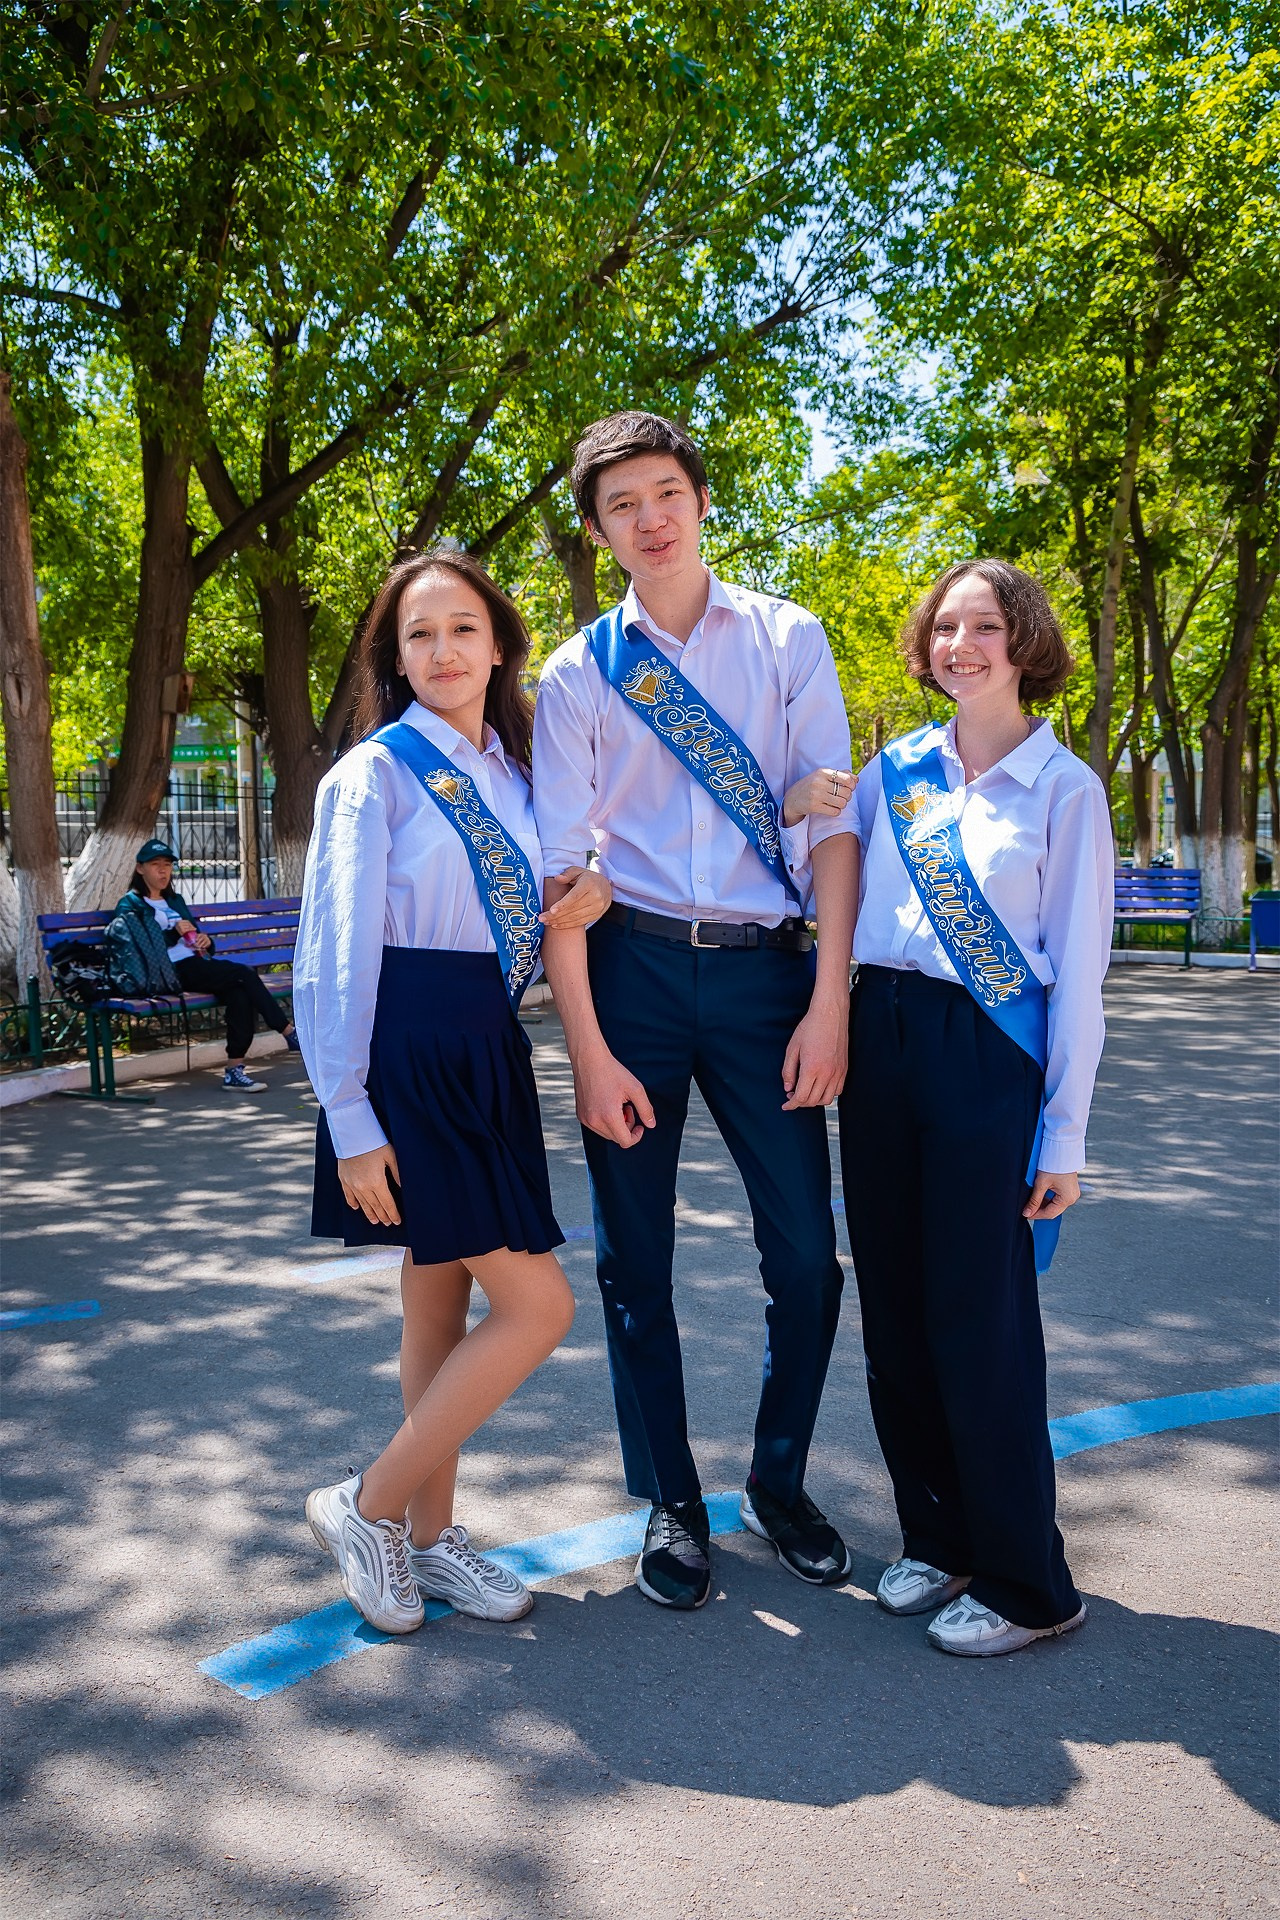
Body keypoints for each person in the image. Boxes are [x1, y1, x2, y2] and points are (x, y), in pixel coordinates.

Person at [533, 411, 860, 1611]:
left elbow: (831, 824)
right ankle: (669, 1499)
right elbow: (564, 879)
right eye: (621, 506)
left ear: (700, 499)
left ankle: (777, 1484)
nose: (649, 518)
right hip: (630, 976)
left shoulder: (785, 637)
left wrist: (827, 1001)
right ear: (598, 530)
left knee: (806, 1258)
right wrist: (584, 1047)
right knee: (635, 1261)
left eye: (665, 492)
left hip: (770, 978)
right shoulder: (577, 674)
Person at [294, 549, 611, 1634]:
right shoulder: (371, 776)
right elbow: (334, 954)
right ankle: (368, 1505)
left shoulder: (518, 777)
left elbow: (547, 897)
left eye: (463, 629)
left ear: (498, 644)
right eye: (418, 634)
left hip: (487, 1043)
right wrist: (348, 1113)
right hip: (409, 1047)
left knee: (442, 1301)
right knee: (540, 1307)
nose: (442, 651)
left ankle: (426, 1542)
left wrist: (587, 891)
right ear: (393, 655)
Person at [815, 559, 1112, 1657]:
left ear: (1023, 642)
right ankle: (934, 1540)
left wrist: (1064, 1136)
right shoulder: (892, 772)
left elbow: (1076, 973)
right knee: (892, 1305)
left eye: (984, 626)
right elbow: (830, 885)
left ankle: (1029, 1583)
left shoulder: (1063, 789)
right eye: (944, 627)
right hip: (882, 1036)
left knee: (978, 1320)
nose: (960, 645)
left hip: (986, 1055)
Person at [105, 840, 298, 1090]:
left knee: (240, 993)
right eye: (156, 865)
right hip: (169, 971)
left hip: (195, 963)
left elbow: (195, 935)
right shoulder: (131, 904)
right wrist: (172, 932)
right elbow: (138, 945)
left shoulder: (174, 900)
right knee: (241, 973)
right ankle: (287, 1031)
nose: (163, 871)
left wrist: (206, 940)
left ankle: (234, 1071)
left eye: (167, 865)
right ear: (140, 869)